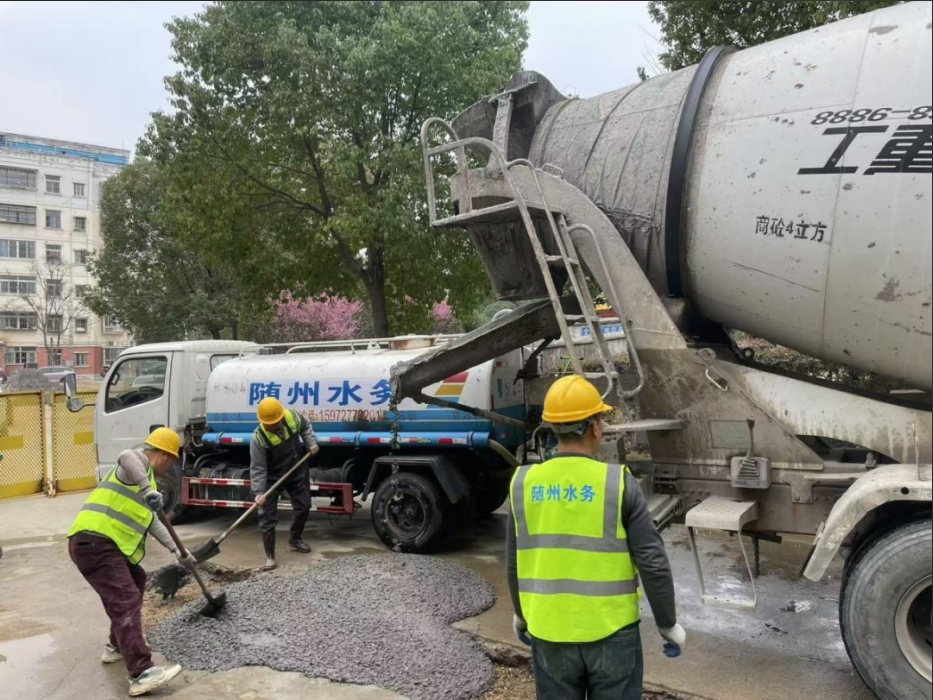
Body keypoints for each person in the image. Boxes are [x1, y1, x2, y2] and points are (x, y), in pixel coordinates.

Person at [507, 375, 686, 700]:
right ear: (595, 427)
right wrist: (667, 624)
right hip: (612, 633)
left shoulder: (523, 484)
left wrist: (520, 614)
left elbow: (514, 564)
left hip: (549, 632)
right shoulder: (618, 484)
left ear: (552, 427)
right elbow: (652, 562)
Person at [67, 427, 196, 697]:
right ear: (163, 454)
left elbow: (154, 522)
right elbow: (126, 454)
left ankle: (116, 645)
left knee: (137, 580)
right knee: (125, 600)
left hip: (105, 547)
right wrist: (147, 489)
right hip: (95, 542)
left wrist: (179, 551)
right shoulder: (138, 465)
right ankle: (141, 673)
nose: (171, 466)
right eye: (172, 459)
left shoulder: (148, 485)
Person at [250, 397, 319, 570]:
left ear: (280, 417)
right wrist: (259, 492)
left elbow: (305, 425)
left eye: (273, 423)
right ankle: (270, 556)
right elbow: (258, 467)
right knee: (267, 515)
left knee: (304, 506)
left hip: (296, 468)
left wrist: (311, 442)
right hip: (272, 477)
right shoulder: (258, 438)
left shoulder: (292, 417)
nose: (270, 426)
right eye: (267, 424)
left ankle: (295, 539)